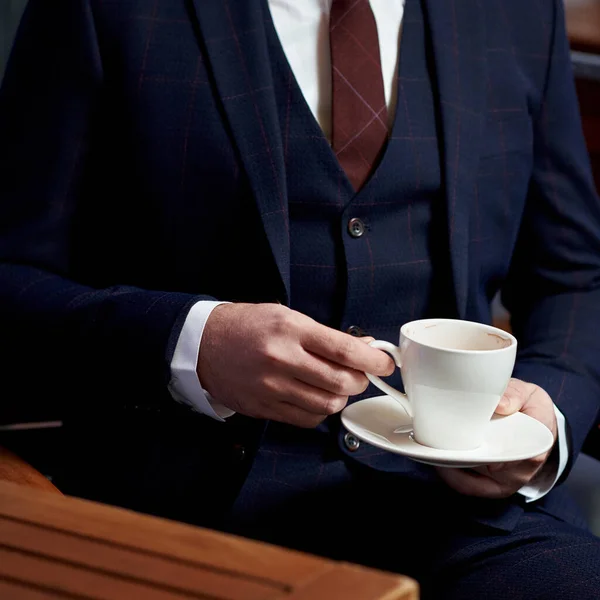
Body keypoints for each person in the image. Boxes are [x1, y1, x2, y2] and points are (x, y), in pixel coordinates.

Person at [1, 0, 599, 597]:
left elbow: (575, 276)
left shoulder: (519, 11)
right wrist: (193, 344)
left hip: (467, 519)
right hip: (184, 510)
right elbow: (12, 277)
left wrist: (546, 420)